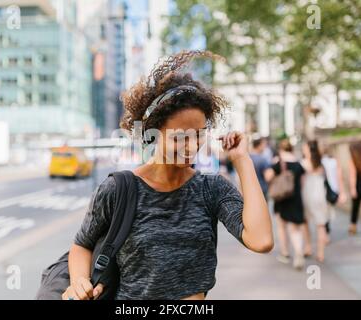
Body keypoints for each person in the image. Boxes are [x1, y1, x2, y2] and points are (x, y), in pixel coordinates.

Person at [62, 51, 274, 300]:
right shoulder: (117, 189)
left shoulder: (211, 189)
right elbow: (82, 244)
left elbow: (261, 240)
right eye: (179, 137)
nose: (192, 146)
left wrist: (242, 159)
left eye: (198, 134)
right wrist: (79, 281)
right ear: (152, 134)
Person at [266, 139, 306, 270]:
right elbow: (302, 183)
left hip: (282, 199)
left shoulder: (279, 162)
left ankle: (285, 253)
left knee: (282, 226)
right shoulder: (298, 163)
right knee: (296, 228)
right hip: (296, 198)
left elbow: (268, 177)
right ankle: (299, 251)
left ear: (281, 149)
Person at [301, 140, 329, 262]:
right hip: (320, 195)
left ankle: (308, 247)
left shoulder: (304, 163)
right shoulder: (320, 163)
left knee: (305, 222)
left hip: (307, 194)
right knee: (321, 225)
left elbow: (300, 181)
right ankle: (321, 253)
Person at [320, 143, 347, 243]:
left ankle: (325, 232)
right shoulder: (334, 161)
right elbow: (339, 177)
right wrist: (342, 191)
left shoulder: (319, 162)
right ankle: (326, 232)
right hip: (333, 189)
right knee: (327, 211)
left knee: (324, 211)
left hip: (323, 190)